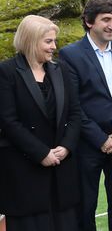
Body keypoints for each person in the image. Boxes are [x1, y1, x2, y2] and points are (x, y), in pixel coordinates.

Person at [59, 0, 112, 231]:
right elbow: (73, 105)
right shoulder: (70, 54)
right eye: (106, 19)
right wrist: (101, 139)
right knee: (85, 208)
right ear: (88, 21)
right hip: (87, 145)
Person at [0, 15, 81, 230]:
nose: (54, 46)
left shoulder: (61, 69)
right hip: (25, 173)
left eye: (54, 41)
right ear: (30, 40)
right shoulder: (7, 72)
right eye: (48, 41)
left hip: (61, 173)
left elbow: (75, 113)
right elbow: (8, 122)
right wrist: (41, 153)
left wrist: (66, 147)